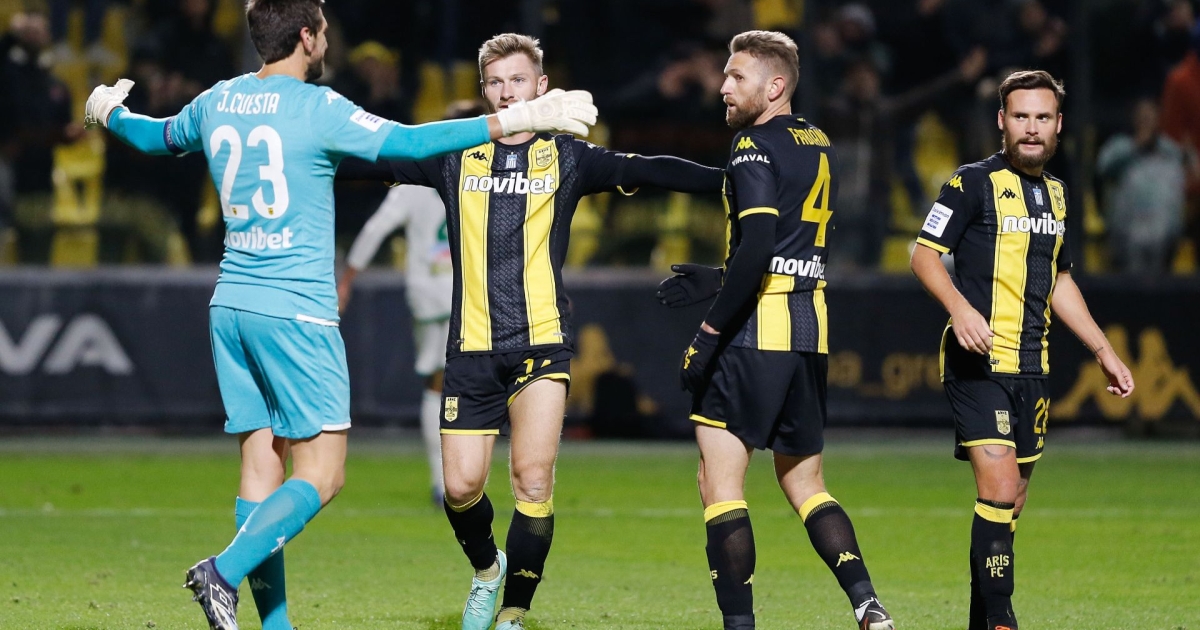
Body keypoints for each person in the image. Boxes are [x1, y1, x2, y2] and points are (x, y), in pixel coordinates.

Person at [82, 1, 597, 628]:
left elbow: (153, 137)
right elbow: (409, 142)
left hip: (231, 306)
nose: (328, 41)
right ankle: (222, 571)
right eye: (324, 30)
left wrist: (109, 111)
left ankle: (274, 626)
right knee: (322, 474)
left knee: (261, 467)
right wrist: (521, 116)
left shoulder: (219, 98)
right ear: (306, 37)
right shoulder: (317, 107)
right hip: (296, 312)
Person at [340, 32, 723, 630]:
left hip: (542, 342)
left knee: (533, 478)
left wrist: (733, 180)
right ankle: (487, 569)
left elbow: (647, 169)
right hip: (470, 349)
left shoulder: (568, 156)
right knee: (460, 487)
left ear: (541, 87)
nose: (507, 92)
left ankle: (514, 611)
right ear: (484, 92)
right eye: (495, 82)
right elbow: (370, 159)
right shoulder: (454, 155)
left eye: (518, 80)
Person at [657, 30, 894, 630]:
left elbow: (761, 242)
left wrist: (708, 332)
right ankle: (868, 605)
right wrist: (719, 275)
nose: (723, 87)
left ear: (775, 86)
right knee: (806, 482)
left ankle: (740, 625)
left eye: (737, 76)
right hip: (809, 331)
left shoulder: (751, 145)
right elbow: (788, 245)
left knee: (720, 485)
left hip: (752, 336)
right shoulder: (818, 141)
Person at [908, 69, 1135, 630]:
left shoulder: (1057, 194)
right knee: (1000, 489)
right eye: (1020, 117)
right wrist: (960, 309)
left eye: (1042, 117)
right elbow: (923, 254)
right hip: (978, 362)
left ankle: (980, 620)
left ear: (1058, 125)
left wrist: (1103, 350)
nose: (1031, 128)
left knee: (1008, 506)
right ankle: (1004, 619)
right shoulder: (971, 183)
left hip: (1033, 367)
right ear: (1002, 121)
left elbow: (1060, 279)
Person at [338, 100, 489, 507]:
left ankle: (443, 481)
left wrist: (348, 279)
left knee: (437, 385)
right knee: (476, 384)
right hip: (473, 292)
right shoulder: (489, 176)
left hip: (428, 293)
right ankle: (466, 477)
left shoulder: (415, 178)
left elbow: (375, 229)